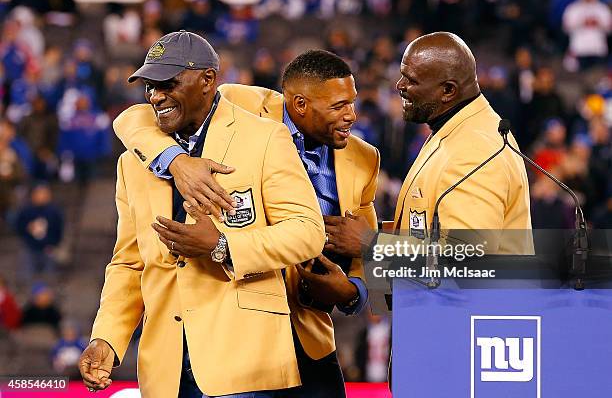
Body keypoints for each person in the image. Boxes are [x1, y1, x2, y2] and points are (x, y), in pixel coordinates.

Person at [112, 50, 380, 397]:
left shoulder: (363, 158)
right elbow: (135, 119)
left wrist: (351, 292)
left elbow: (367, 265)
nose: (352, 116)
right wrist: (177, 161)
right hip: (237, 335)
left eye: (352, 103)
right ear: (299, 103)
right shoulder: (243, 104)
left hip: (307, 334)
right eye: (338, 106)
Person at [78, 31, 325, 398]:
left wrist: (223, 245)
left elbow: (308, 232)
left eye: (168, 83)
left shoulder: (263, 138)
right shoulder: (134, 162)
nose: (155, 96)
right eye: (149, 86)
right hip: (167, 372)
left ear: (208, 79)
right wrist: (107, 338)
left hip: (246, 365)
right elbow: (129, 264)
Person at [330, 31, 532, 259]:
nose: (399, 85)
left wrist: (371, 244)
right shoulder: (456, 127)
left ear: (448, 90)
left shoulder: (474, 150)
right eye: (402, 75)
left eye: (412, 80)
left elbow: (467, 261)